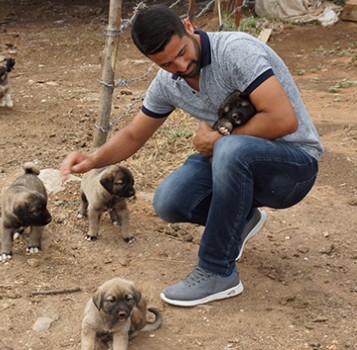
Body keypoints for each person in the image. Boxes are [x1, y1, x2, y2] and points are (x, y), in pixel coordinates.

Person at [60, 4, 323, 307]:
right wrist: (91, 161)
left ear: (188, 26)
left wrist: (219, 138)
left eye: (182, 53)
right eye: (167, 63)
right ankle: (243, 220)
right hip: (235, 159)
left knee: (227, 147)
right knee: (170, 200)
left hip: (293, 166)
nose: (181, 66)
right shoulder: (168, 83)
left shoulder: (236, 52)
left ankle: (217, 271)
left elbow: (283, 120)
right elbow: (134, 134)